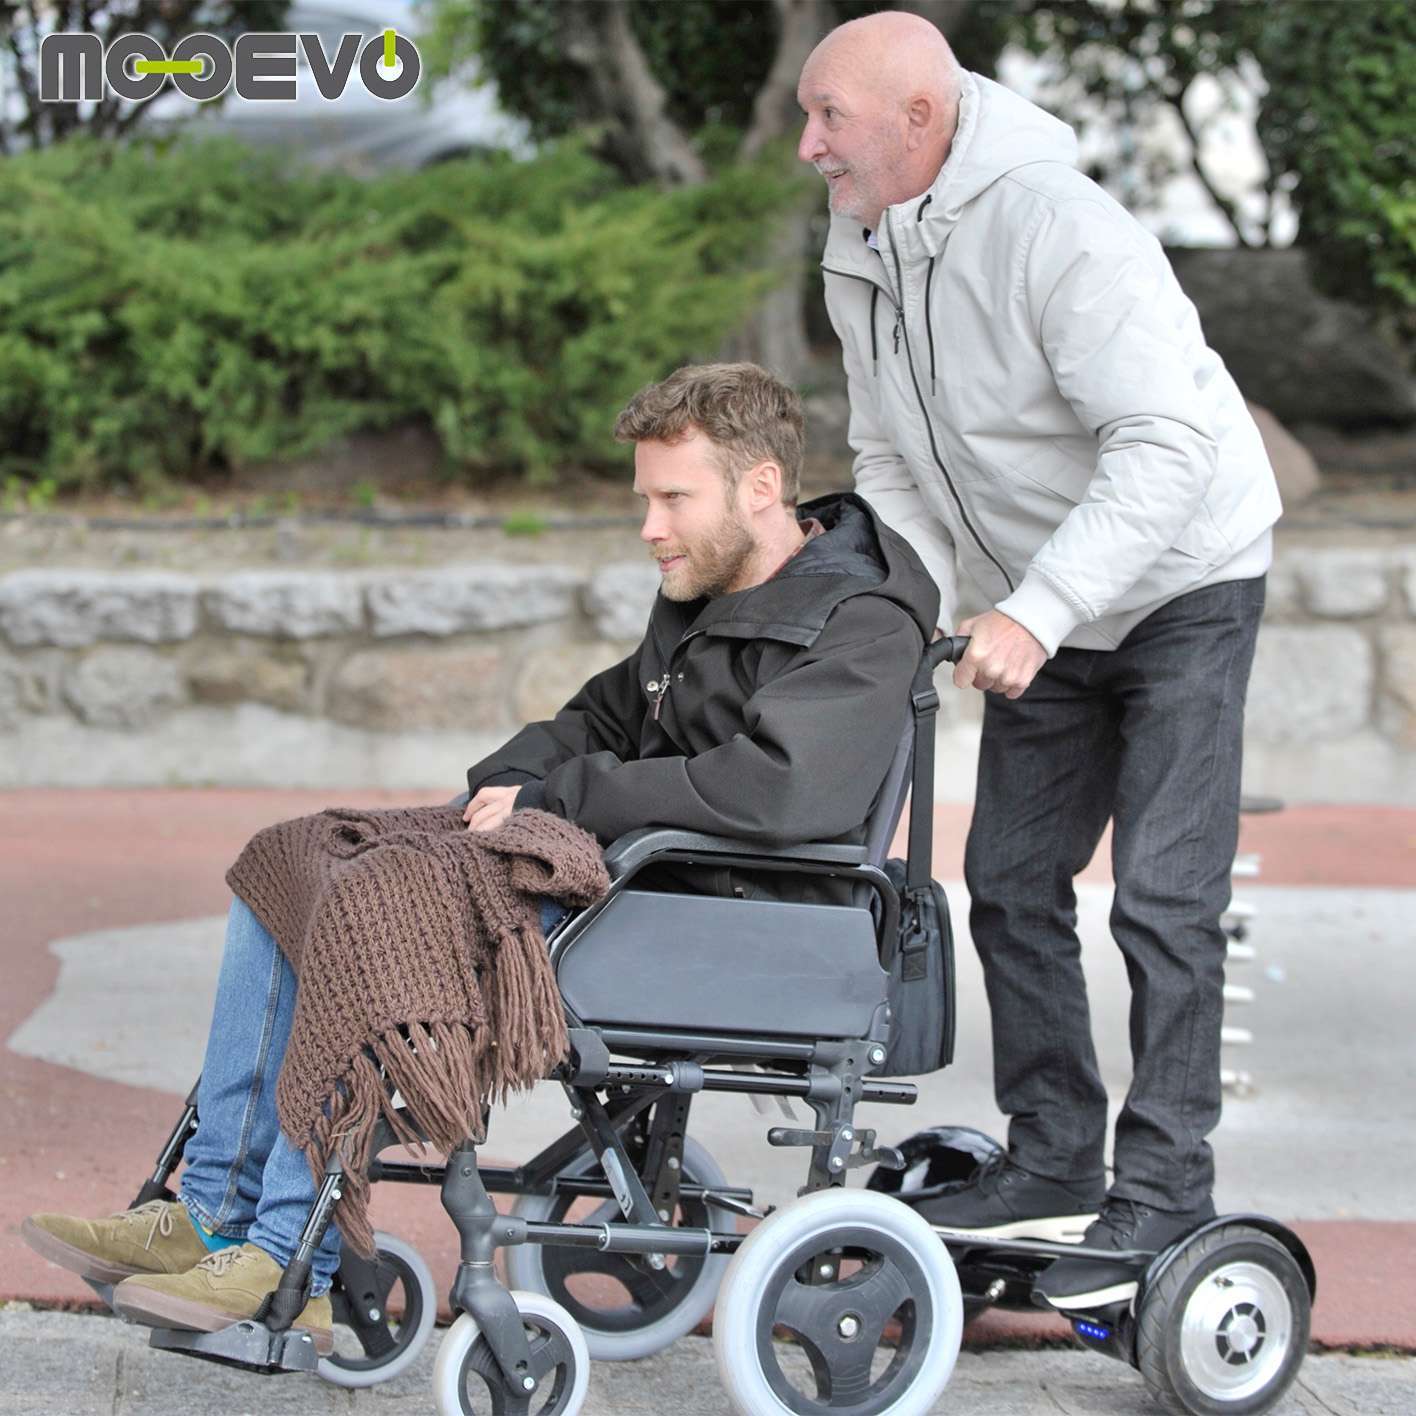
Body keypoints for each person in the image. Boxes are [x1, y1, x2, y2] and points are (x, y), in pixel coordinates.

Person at [22, 361, 939, 1347]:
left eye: (674, 498)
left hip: (720, 909)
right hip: (630, 874)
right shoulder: (710, 584)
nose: (650, 526)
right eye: (645, 499)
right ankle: (209, 1212)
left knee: (375, 900)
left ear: (761, 486)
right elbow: (601, 717)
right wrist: (504, 782)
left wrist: (558, 797)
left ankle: (287, 1254)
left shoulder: (862, 621)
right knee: (293, 857)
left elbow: (783, 791)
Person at [796, 12, 1279, 1310]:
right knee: (1010, 884)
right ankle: (1059, 1157)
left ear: (919, 118)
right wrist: (911, 605)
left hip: (1182, 580)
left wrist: (1041, 608)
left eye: (829, 117)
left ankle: (1167, 1186)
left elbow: (1165, 445)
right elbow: (890, 453)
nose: (808, 146)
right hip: (1041, 598)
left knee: (1164, 900)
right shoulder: (864, 240)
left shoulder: (1060, 228)